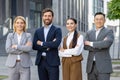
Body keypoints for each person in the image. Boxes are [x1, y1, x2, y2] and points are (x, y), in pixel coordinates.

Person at [32, 8, 62, 80]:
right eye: (45, 16)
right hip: (41, 61)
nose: (47, 18)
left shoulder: (57, 30)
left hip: (53, 62)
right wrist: (49, 45)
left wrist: (41, 43)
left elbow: (56, 44)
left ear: (52, 17)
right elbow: (34, 46)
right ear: (42, 17)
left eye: (49, 16)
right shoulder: (38, 31)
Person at [84, 12, 114, 80]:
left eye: (101, 19)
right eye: (97, 19)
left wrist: (90, 43)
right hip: (91, 66)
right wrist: (101, 45)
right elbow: (85, 46)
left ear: (104, 20)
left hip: (104, 66)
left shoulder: (109, 31)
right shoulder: (89, 32)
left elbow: (106, 44)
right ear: (94, 20)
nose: (99, 21)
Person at [5, 16, 33, 80]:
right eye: (17, 23)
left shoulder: (28, 35)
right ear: (14, 24)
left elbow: (29, 48)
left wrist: (16, 46)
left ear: (24, 24)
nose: (19, 24)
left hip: (25, 65)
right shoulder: (10, 35)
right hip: (12, 65)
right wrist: (23, 48)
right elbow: (8, 49)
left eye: (21, 23)